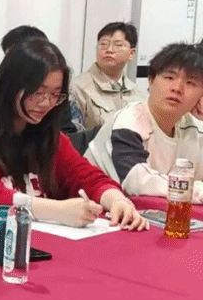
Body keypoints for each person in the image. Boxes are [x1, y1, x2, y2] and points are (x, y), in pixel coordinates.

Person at [0, 38, 147, 230]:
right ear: (11, 86)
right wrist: (55, 210)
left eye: (55, 95)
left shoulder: (45, 132)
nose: (45, 103)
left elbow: (82, 174)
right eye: (38, 93)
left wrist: (116, 200)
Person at [86, 42, 203, 201]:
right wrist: (197, 191)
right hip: (94, 207)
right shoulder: (129, 122)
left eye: (190, 83)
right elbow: (137, 182)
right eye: (169, 77)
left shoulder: (196, 131)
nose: (177, 88)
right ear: (151, 80)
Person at [0, 24, 83, 133]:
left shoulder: (57, 101)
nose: (46, 103)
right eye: (10, 57)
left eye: (55, 94)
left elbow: (70, 136)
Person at [70, 22, 146, 130]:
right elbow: (72, 134)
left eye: (118, 45)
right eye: (103, 44)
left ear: (131, 53)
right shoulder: (77, 88)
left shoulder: (140, 95)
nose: (109, 50)